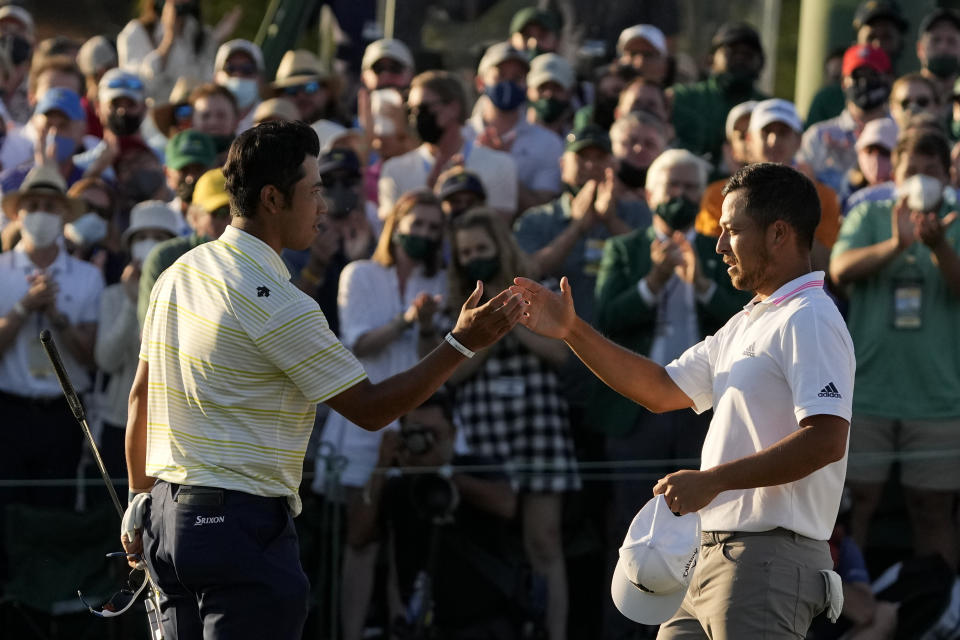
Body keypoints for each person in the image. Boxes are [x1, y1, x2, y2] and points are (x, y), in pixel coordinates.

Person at [122, 121, 525, 638]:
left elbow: (141, 399)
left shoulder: (181, 271)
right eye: (313, 191)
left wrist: (139, 501)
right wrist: (461, 343)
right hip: (239, 530)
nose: (324, 205)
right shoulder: (282, 304)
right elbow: (373, 409)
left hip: (166, 523)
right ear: (273, 198)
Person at [511, 162, 854, 638]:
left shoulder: (810, 317)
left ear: (779, 234)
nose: (717, 245)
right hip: (703, 556)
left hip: (767, 561)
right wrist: (573, 331)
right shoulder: (746, 322)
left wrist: (711, 482)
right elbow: (657, 389)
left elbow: (826, 440)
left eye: (732, 230)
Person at [592, 149, 752, 638]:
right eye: (671, 187)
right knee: (629, 530)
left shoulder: (715, 248)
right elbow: (607, 319)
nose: (679, 197)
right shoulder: (624, 249)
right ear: (650, 193)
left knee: (697, 532)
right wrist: (653, 281)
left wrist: (701, 283)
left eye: (689, 188)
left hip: (699, 415)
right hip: (636, 412)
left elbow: (743, 316)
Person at [316, 188, 446, 640]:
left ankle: (398, 626)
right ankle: (350, 631)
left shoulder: (443, 280)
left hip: (415, 422)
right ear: (397, 225)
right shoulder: (360, 274)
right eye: (418, 225)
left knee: (404, 539)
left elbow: (439, 360)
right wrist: (408, 320)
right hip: (361, 417)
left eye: (434, 228)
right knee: (361, 536)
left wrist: (427, 327)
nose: (425, 235)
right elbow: (357, 343)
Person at [443, 208, 578, 640]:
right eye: (466, 252)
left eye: (481, 248)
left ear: (499, 245)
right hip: (483, 419)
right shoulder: (458, 297)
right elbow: (451, 372)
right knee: (490, 539)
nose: (474, 257)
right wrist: (484, 326)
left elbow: (561, 355)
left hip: (536, 419)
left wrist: (513, 317)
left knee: (545, 539)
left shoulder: (531, 287)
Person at [830, 128, 960, 570]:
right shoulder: (870, 213)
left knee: (933, 509)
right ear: (895, 174)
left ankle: (939, 611)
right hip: (868, 393)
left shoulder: (956, 221)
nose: (921, 179)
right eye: (911, 171)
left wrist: (938, 245)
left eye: (931, 171)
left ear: (948, 175)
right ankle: (850, 610)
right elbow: (840, 271)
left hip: (940, 398)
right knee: (854, 507)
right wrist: (895, 245)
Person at [349, 391, 520, 639]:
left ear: (453, 433)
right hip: (423, 626)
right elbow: (357, 537)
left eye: (434, 434)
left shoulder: (476, 467)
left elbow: (507, 505)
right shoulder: (398, 488)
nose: (425, 441)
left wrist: (445, 472)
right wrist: (382, 465)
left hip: (486, 624)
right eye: (416, 433)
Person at [0, 165, 101, 515]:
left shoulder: (88, 278)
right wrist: (24, 307)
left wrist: (58, 318)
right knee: (8, 510)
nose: (41, 213)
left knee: (55, 509)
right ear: (17, 214)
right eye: (33, 205)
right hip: (8, 410)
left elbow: (91, 358)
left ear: (63, 215)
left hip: (64, 412)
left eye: (50, 205)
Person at [514, 124, 651, 327]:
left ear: (615, 165)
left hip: (623, 339)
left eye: (600, 158)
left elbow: (655, 262)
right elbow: (526, 272)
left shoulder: (638, 213)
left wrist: (612, 221)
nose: (591, 165)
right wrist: (576, 228)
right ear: (562, 166)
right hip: (557, 344)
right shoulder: (536, 220)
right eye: (582, 157)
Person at [697, 99, 842, 273]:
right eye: (766, 132)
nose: (774, 141)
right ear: (749, 139)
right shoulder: (717, 195)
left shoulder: (823, 196)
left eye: (783, 133)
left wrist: (797, 203)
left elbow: (822, 267)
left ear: (799, 141)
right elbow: (713, 262)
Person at [94, 200, 179, 477]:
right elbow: (106, 360)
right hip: (120, 420)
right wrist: (132, 305)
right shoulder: (112, 296)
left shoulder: (185, 294)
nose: (149, 244)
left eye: (158, 237)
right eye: (141, 237)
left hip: (170, 424)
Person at [378, 70, 518, 221]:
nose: (417, 116)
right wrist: (430, 195)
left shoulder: (499, 165)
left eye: (424, 108)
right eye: (411, 110)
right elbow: (390, 231)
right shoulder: (394, 170)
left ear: (454, 107)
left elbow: (498, 229)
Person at [471, 41, 564, 212]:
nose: (509, 83)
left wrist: (503, 166)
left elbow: (543, 209)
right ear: (480, 83)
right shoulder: (461, 136)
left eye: (517, 78)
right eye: (500, 75)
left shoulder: (549, 144)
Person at [136, 167, 232, 326]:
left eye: (238, 212)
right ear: (194, 218)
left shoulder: (266, 257)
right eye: (220, 212)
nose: (231, 221)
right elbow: (151, 331)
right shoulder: (167, 258)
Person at [671, 22, 768, 170]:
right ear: (711, 59)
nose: (741, 58)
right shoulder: (683, 98)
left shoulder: (769, 109)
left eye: (749, 54)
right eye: (732, 52)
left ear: (761, 63)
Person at [800, 44, 893, 196]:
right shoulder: (817, 136)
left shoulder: (902, 133)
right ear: (843, 82)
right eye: (856, 76)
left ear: (888, 78)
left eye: (872, 74)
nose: (864, 82)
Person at [806, 0, 909, 128]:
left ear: (900, 43)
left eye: (886, 37)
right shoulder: (828, 100)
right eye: (871, 37)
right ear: (856, 43)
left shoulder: (913, 94)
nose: (878, 45)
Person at [117, 0, 241, 102]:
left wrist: (214, 41)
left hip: (190, 118)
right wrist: (168, 39)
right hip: (152, 123)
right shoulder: (137, 32)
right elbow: (139, 85)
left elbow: (205, 80)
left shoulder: (198, 34)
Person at [271, 49, 343, 125]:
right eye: (291, 89)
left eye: (310, 86)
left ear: (327, 92)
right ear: (279, 96)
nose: (301, 95)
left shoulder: (353, 130)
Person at [609, 110, 669, 201]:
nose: (639, 148)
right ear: (612, 145)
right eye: (631, 141)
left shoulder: (667, 198)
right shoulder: (591, 190)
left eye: (649, 144)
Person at [213, 39, 264, 134]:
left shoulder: (271, 120)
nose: (238, 75)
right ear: (215, 77)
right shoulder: (202, 119)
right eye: (230, 68)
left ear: (260, 78)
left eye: (247, 69)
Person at [917, 8, 960, 111]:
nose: (943, 47)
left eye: (951, 41)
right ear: (920, 49)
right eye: (935, 40)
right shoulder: (903, 98)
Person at [526, 53, 577, 137]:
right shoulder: (513, 135)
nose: (549, 94)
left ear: (570, 92)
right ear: (528, 90)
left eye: (557, 88)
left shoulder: (576, 139)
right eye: (542, 87)